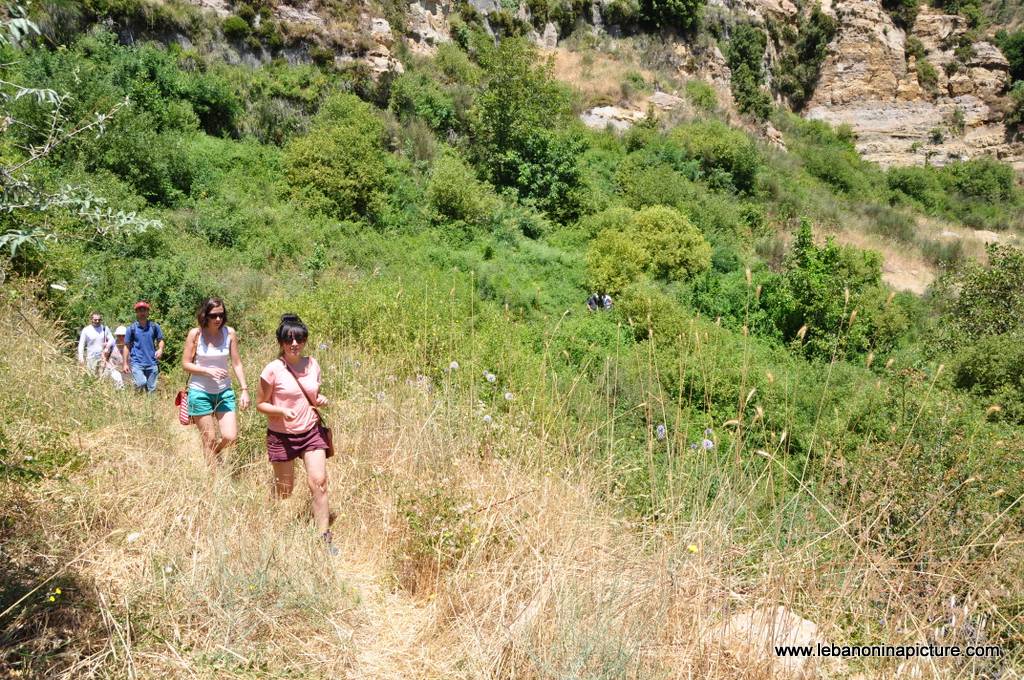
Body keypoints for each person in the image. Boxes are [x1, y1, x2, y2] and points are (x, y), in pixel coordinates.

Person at [256, 313, 335, 553]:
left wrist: (319, 400)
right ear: (280, 342)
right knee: (285, 490)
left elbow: (312, 393)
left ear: (305, 341)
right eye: (289, 340)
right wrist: (280, 411)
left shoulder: (312, 365)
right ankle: (277, 534)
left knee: (319, 482)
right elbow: (261, 404)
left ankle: (324, 538)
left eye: (299, 339)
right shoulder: (272, 370)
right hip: (282, 435)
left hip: (310, 431)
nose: (294, 344)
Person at [181, 298, 250, 465]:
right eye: (213, 315)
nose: (218, 319)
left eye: (221, 315)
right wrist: (207, 371)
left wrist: (244, 389)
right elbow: (185, 364)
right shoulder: (195, 334)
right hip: (200, 392)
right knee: (209, 438)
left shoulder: (230, 333)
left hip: (224, 392)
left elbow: (237, 363)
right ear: (205, 315)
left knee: (230, 436)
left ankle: (215, 453)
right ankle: (212, 484)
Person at [123, 301, 165, 393]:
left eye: (144, 310)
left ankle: (150, 406)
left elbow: (160, 340)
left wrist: (160, 349)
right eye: (140, 310)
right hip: (137, 363)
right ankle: (137, 393)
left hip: (152, 362)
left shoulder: (154, 326)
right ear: (136, 313)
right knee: (141, 383)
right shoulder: (131, 328)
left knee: (152, 389)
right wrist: (125, 363)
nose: (142, 313)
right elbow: (126, 346)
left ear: (148, 312)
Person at [78, 312, 113, 377]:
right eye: (95, 320)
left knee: (103, 376)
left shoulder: (105, 328)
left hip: (103, 357)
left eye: (99, 320)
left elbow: (112, 339)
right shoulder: (86, 330)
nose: (97, 321)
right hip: (91, 357)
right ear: (91, 319)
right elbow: (81, 344)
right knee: (92, 376)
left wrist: (107, 345)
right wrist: (81, 357)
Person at [101, 325, 130, 389]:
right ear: (116, 335)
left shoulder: (130, 345)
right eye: (119, 335)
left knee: (128, 385)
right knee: (118, 380)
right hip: (112, 369)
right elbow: (105, 355)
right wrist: (103, 365)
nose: (121, 337)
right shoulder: (112, 344)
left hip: (125, 369)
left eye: (123, 335)